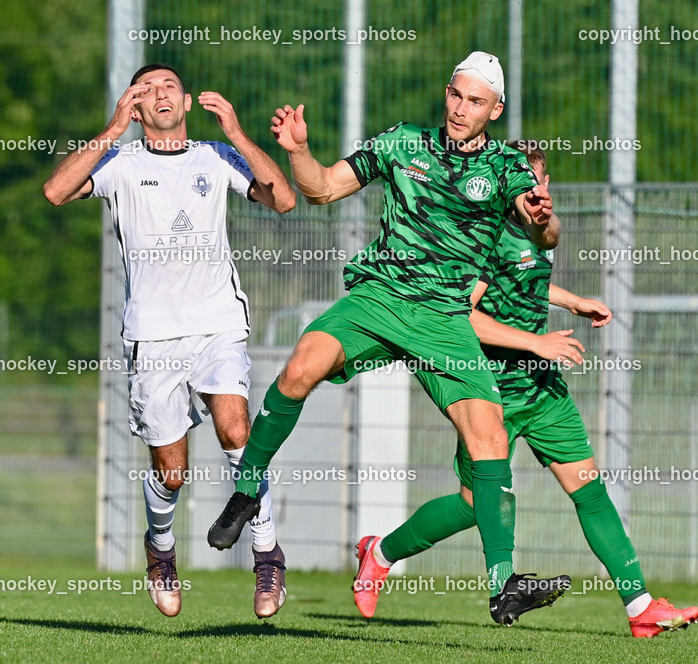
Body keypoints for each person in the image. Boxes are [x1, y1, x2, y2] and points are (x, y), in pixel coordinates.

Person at [207, 52, 569, 626]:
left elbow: (543, 232)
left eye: (475, 101)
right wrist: (299, 151)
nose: (460, 108)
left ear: (495, 110)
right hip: (379, 298)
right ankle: (246, 490)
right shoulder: (403, 143)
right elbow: (322, 189)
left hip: (444, 317)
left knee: (490, 438)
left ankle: (503, 586)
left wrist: (542, 217)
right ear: (446, 92)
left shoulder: (506, 166)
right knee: (299, 368)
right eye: (456, 95)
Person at [352, 140, 698, 638]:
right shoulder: (480, 234)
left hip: (542, 391)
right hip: (489, 392)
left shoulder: (535, 229)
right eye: (521, 184)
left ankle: (641, 608)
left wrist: (572, 302)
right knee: (473, 506)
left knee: (590, 490)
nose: (531, 193)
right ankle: (381, 552)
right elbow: (462, 316)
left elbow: (525, 278)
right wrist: (537, 342)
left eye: (537, 183)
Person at [43, 63, 296, 618]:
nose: (160, 94)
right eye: (147, 89)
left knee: (238, 432)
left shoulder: (215, 155)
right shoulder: (119, 162)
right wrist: (112, 129)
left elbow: (283, 200)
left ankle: (267, 554)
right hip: (153, 338)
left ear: (185, 102)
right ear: (135, 106)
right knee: (171, 472)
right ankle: (160, 548)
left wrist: (237, 133)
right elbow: (56, 191)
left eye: (169, 87)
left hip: (217, 326)